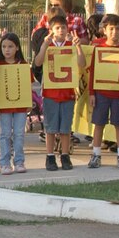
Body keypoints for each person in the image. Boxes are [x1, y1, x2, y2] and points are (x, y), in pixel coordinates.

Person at [33, 17, 86, 172]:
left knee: (65, 128)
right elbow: (37, 62)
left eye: (63, 27)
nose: (61, 31)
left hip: (67, 93)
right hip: (50, 93)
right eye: (57, 28)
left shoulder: (71, 45)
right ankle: (50, 156)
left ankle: (65, 155)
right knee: (50, 127)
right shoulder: (48, 45)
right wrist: (44, 45)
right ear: (51, 30)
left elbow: (81, 64)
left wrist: (79, 48)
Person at [87, 14, 119, 169]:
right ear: (104, 30)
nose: (114, 32)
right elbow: (92, 72)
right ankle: (96, 155)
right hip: (101, 94)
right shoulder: (98, 49)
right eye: (111, 29)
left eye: (117, 29)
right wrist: (92, 93)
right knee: (99, 124)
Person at [0, 33, 36, 174]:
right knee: (5, 134)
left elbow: (28, 85)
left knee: (19, 134)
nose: (7, 50)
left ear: (17, 48)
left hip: (20, 106)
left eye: (10, 46)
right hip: (4, 106)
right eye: (4, 46)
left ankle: (19, 161)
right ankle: (4, 163)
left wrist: (29, 102)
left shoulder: (24, 65)